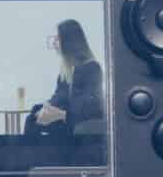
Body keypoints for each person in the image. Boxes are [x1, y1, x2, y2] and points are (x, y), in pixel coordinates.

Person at [25, 18, 107, 147]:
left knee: (35, 123)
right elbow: (58, 96)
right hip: (65, 119)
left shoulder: (91, 68)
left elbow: (91, 108)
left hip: (74, 121)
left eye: (58, 39)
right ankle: (29, 160)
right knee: (33, 116)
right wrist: (46, 108)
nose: (54, 44)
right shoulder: (66, 70)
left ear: (69, 42)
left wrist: (61, 115)